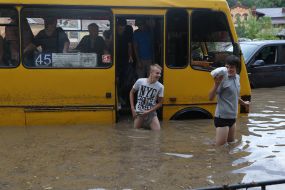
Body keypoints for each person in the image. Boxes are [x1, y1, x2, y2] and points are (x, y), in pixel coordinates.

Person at [209, 55, 249, 146]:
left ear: (237, 68)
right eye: (227, 67)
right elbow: (210, 97)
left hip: (232, 117)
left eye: (232, 67)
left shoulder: (237, 78)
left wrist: (244, 103)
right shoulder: (222, 79)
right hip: (222, 118)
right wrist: (216, 84)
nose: (229, 69)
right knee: (220, 148)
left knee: (231, 144)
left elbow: (234, 96)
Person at [129, 64, 164, 130]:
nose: (159, 75)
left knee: (157, 134)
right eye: (157, 73)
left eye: (160, 73)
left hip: (151, 114)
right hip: (139, 112)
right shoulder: (140, 81)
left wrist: (148, 111)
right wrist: (132, 109)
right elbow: (131, 92)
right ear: (151, 73)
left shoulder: (160, 87)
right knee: (136, 135)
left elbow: (160, 103)